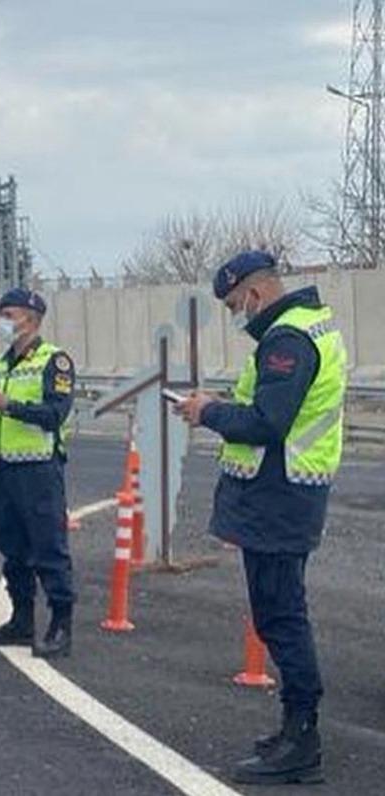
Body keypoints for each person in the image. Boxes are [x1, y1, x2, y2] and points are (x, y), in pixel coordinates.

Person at [175, 250, 347, 786]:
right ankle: (294, 730)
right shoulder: (304, 330)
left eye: (234, 304)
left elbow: (268, 423)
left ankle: (302, 738)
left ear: (255, 292)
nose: (235, 314)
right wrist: (221, 406)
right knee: (278, 613)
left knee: (281, 617)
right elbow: (271, 411)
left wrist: (208, 413)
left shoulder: (288, 340)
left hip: (281, 496)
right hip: (286, 493)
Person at [0, 288, 76, 659]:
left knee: (48, 548)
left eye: (10, 314)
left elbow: (55, 414)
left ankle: (60, 625)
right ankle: (21, 619)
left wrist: (7, 405)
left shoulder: (54, 361)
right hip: (4, 467)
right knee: (12, 548)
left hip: (39, 467)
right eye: (1, 314)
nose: (3, 321)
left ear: (32, 318)